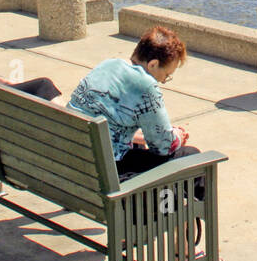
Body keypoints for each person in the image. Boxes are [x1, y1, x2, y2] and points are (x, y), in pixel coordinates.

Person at [67, 24, 193, 180]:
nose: (163, 80)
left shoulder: (108, 65)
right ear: (153, 64)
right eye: (166, 75)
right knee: (190, 155)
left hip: (72, 159)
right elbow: (163, 147)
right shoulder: (146, 86)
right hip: (106, 171)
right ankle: (185, 203)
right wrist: (178, 135)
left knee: (139, 145)